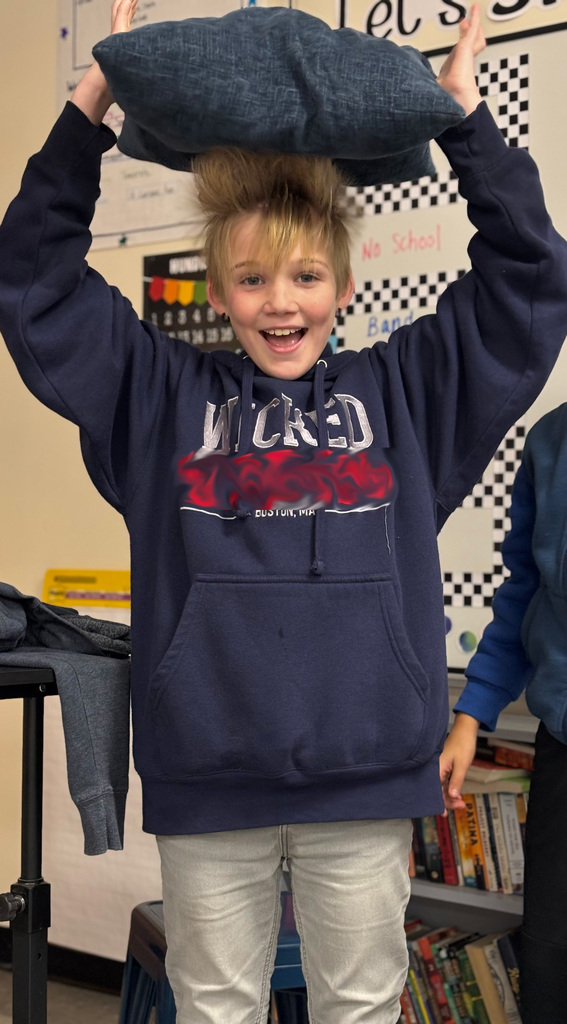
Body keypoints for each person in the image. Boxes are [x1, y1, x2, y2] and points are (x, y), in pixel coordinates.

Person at [1, 0, 567, 1020]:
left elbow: (527, 285)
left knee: (359, 1004)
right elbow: (35, 283)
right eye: (253, 278)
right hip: (209, 779)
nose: (280, 302)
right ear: (220, 286)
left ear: (343, 284)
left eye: (305, 275)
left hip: (366, 781)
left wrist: (466, 127)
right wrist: (91, 105)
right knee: (214, 1006)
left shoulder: (408, 395)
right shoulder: (159, 397)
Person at [441, 403, 567, 1024]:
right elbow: (522, 593)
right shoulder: (550, 441)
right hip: (564, 750)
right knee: (548, 963)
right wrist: (471, 715)